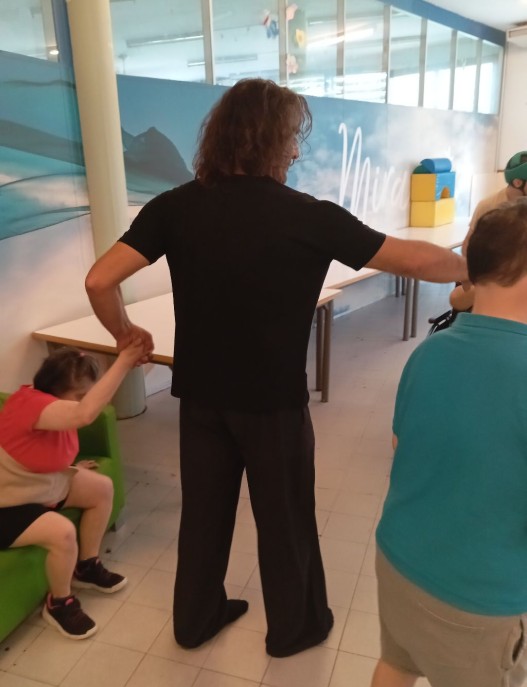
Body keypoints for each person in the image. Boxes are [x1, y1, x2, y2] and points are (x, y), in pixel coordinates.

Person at [84, 78, 466, 657]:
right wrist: (479, 268)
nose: (294, 151)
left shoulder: (174, 206)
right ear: (270, 141)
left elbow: (98, 280)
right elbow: (412, 259)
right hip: (273, 405)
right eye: (291, 139)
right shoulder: (309, 216)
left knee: (203, 517)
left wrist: (124, 333)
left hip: (201, 398)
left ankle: (196, 620)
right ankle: (295, 629)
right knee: (286, 520)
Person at [369, 199, 527, 687]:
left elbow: (401, 444)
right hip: (477, 597)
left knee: (396, 664)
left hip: (399, 558)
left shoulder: (430, 350)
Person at [0, 341, 146, 640]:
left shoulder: (47, 404)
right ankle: (59, 603)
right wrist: (125, 359)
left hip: (36, 486)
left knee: (101, 488)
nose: (89, 401)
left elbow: (34, 449)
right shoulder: (30, 405)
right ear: (54, 392)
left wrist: (70, 468)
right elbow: (83, 414)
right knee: (62, 534)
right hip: (7, 504)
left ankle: (87, 567)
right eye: (81, 395)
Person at [450, 150, 527, 311]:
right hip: (493, 278)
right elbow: (468, 248)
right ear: (518, 182)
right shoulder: (489, 205)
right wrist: (474, 284)